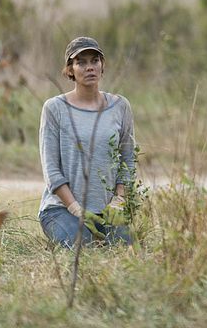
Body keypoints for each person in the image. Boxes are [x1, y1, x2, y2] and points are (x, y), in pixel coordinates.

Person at [39, 36, 136, 247]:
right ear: (70, 70)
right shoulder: (54, 108)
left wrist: (119, 201)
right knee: (83, 246)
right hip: (62, 209)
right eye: (81, 62)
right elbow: (51, 170)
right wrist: (76, 209)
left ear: (102, 65)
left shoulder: (120, 106)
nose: (89, 67)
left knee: (125, 248)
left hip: (108, 210)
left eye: (94, 60)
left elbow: (128, 159)